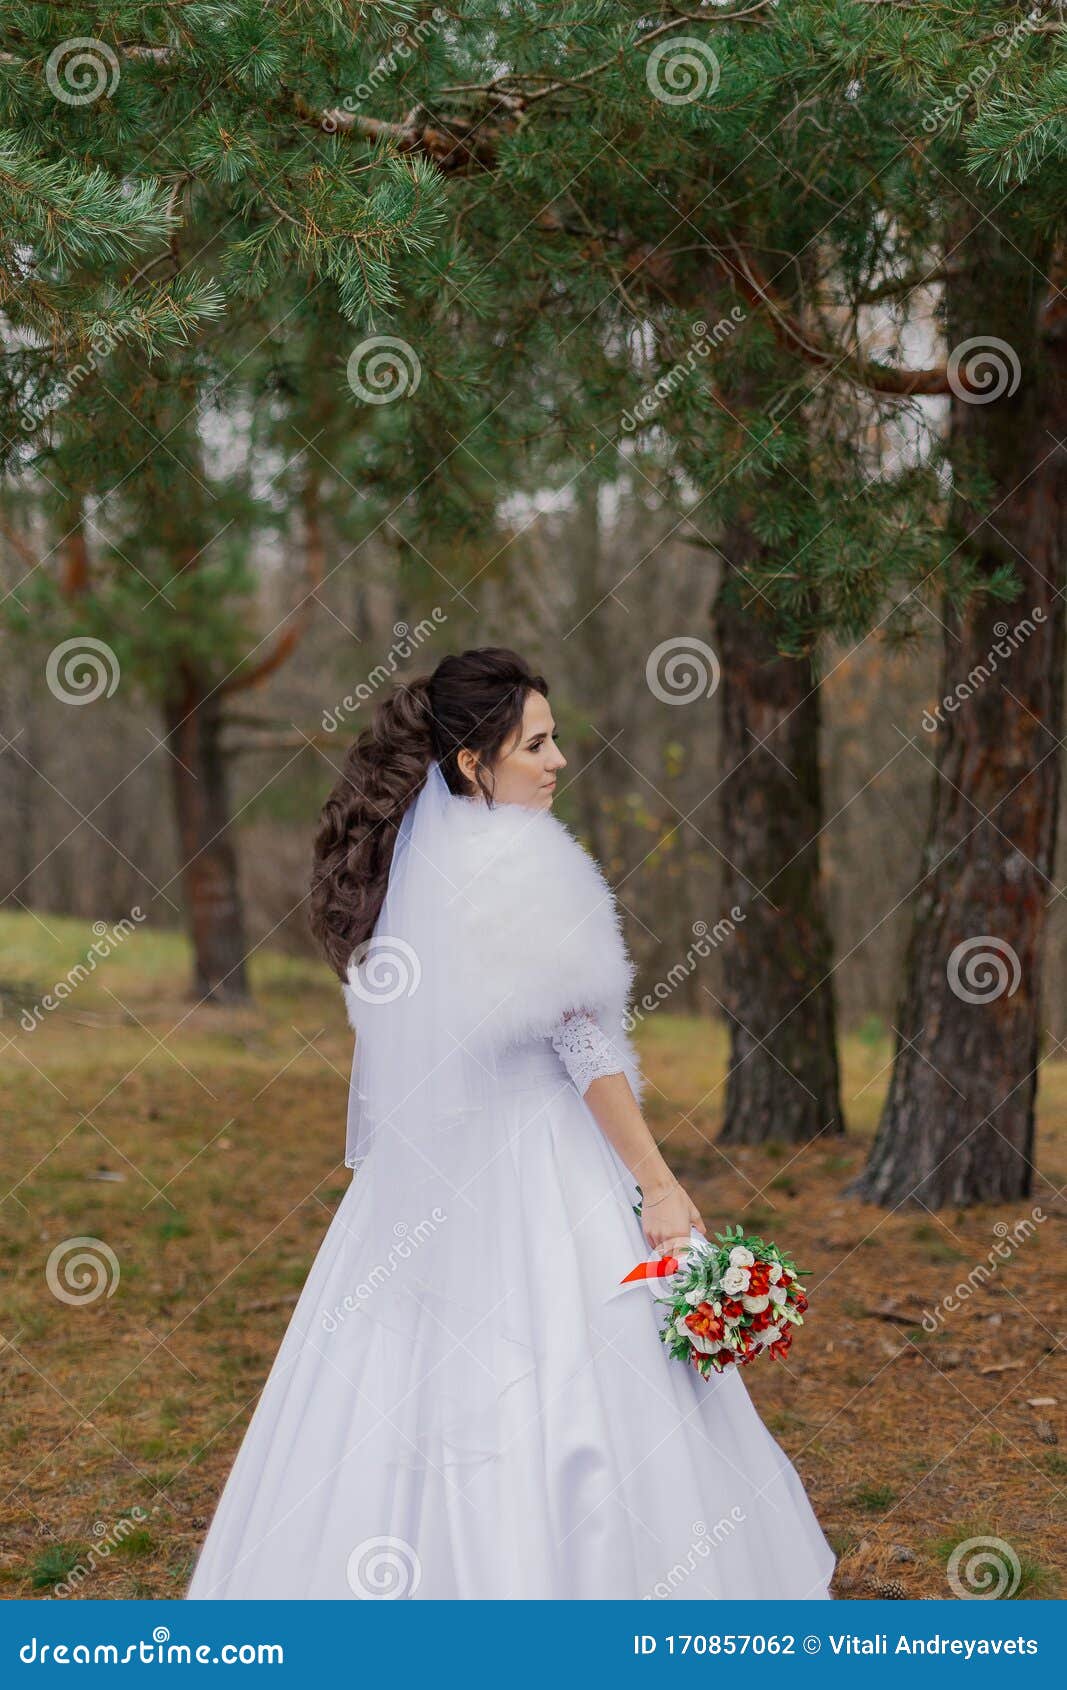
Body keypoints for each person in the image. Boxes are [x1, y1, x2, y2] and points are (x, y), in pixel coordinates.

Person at [185, 646, 835, 1600]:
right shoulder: (527, 864)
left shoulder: (418, 882)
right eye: (535, 743)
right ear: (470, 765)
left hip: (430, 1172)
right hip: (540, 1161)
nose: (558, 759)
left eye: (555, 738)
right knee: (576, 1379)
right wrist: (658, 1183)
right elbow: (582, 1046)